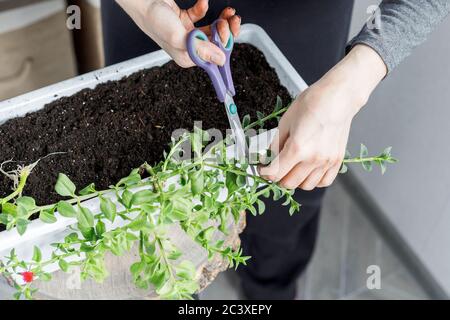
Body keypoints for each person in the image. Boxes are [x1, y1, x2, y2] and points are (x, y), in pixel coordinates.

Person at [101, 0, 450, 299]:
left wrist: (350, 88)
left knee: (285, 210)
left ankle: (270, 293)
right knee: (158, 215)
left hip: (304, 21)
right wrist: (144, 8)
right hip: (159, 18)